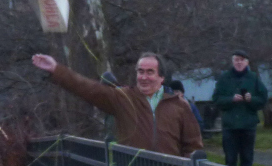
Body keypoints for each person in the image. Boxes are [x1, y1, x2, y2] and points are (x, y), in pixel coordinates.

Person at [30, 53, 203, 157]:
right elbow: (88, 89)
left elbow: (193, 146)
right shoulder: (124, 98)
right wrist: (56, 69)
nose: (144, 77)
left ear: (162, 77)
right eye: (140, 71)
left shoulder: (179, 106)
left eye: (150, 72)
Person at [214, 51, 267, 166]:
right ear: (232, 62)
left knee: (247, 160)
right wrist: (231, 99)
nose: (239, 62)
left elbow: (263, 99)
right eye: (236, 60)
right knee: (230, 160)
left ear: (247, 62)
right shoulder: (224, 78)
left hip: (248, 126)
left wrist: (251, 99)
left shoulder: (253, 78)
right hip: (230, 126)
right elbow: (216, 99)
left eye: (242, 60)